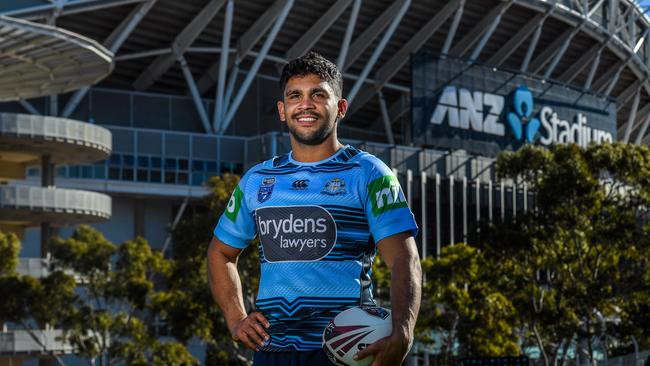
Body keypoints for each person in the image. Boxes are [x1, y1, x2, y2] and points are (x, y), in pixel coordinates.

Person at [207, 51, 422, 366]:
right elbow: (220, 253)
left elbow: (404, 258)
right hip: (271, 353)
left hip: (345, 352)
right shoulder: (257, 180)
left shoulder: (369, 173)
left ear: (341, 108)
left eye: (318, 94)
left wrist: (403, 330)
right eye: (295, 95)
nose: (305, 104)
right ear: (282, 110)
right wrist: (237, 317)